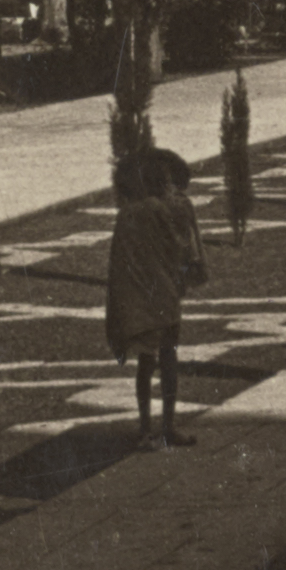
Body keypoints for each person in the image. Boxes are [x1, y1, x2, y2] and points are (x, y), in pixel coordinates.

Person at [103, 134, 206, 446]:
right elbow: (180, 250)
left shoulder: (127, 214)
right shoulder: (161, 210)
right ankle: (168, 427)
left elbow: (119, 259)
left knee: (146, 366)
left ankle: (146, 429)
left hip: (139, 298)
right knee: (169, 361)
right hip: (164, 296)